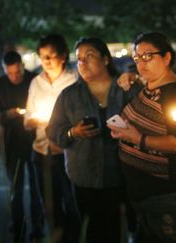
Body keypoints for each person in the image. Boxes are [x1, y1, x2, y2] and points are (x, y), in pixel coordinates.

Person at [108, 32, 176, 243]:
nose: (141, 63)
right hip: (145, 194)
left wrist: (137, 138)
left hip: (169, 194)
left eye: (148, 56)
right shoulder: (150, 85)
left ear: (167, 57)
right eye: (137, 57)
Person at [46, 37, 137, 243]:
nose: (82, 63)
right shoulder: (69, 95)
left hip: (123, 174)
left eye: (89, 56)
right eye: (78, 59)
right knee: (91, 231)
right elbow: (53, 131)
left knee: (121, 230)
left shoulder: (125, 88)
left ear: (105, 59)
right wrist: (73, 132)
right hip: (84, 176)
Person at [24, 33, 79, 242]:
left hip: (67, 151)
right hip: (41, 151)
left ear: (63, 56)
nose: (46, 61)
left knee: (72, 202)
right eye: (42, 56)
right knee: (50, 204)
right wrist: (35, 120)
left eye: (51, 56)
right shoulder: (36, 82)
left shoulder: (74, 80)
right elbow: (27, 119)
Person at [0, 51, 43, 242]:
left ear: (22, 66)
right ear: (4, 70)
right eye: (11, 73)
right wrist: (3, 118)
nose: (15, 77)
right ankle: (17, 227)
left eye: (18, 72)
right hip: (11, 143)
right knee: (16, 188)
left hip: (35, 142)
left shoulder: (34, 81)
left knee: (37, 190)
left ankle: (38, 227)